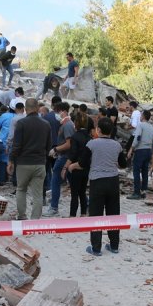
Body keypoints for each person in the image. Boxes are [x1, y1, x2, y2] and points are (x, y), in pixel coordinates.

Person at [76, 117, 125, 255]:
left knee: (96, 215)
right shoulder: (117, 145)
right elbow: (123, 164)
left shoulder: (92, 144)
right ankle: (114, 246)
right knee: (114, 214)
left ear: (98, 130)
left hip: (97, 182)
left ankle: (96, 248)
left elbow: (82, 163)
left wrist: (73, 166)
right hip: (113, 181)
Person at [8, 98, 51, 220]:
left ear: (25, 109)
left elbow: (16, 145)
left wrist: (11, 160)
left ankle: (22, 216)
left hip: (23, 163)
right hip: (40, 163)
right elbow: (49, 146)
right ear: (37, 108)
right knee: (38, 194)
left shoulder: (21, 123)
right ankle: (35, 220)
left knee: (21, 189)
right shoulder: (46, 124)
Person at [43, 102, 74, 217]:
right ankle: (87, 203)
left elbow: (69, 144)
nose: (56, 114)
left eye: (58, 112)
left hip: (64, 157)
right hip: (64, 156)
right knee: (73, 183)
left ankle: (54, 207)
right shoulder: (65, 124)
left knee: (55, 180)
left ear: (64, 111)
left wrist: (56, 149)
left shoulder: (68, 125)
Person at [64, 112, 92, 217]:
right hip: (86, 167)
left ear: (76, 123)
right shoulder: (89, 137)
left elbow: (73, 154)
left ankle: (72, 215)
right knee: (82, 192)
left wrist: (65, 167)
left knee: (74, 193)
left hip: (75, 167)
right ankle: (83, 213)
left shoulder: (75, 137)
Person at [127, 110, 153, 200]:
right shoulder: (152, 128)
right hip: (148, 151)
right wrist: (152, 153)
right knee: (144, 171)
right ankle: (143, 191)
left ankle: (136, 192)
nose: (140, 116)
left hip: (140, 150)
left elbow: (137, 138)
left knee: (136, 171)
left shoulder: (140, 125)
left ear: (143, 116)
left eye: (141, 115)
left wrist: (131, 149)